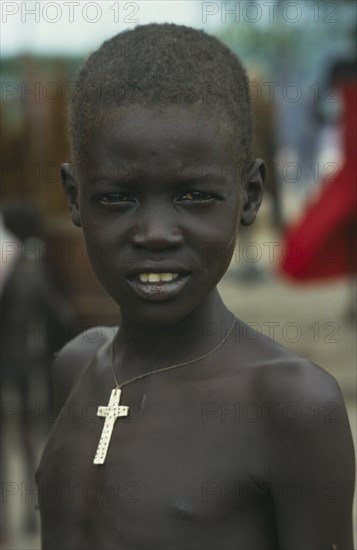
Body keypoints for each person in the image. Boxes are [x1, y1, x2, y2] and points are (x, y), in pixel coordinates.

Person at [36, 24, 355, 549]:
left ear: (249, 195)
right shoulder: (74, 367)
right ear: (75, 197)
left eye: (194, 196)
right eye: (117, 198)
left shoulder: (289, 406)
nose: (155, 234)